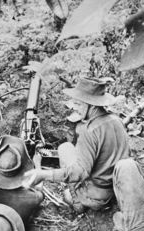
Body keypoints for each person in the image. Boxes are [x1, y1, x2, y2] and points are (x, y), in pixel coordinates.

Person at [23, 77, 130, 213]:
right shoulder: (117, 120)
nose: (74, 108)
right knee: (65, 148)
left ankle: (77, 202)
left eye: (78, 104)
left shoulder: (89, 130)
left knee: (68, 193)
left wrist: (44, 174)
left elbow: (80, 173)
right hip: (115, 187)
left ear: (91, 105)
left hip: (95, 196)